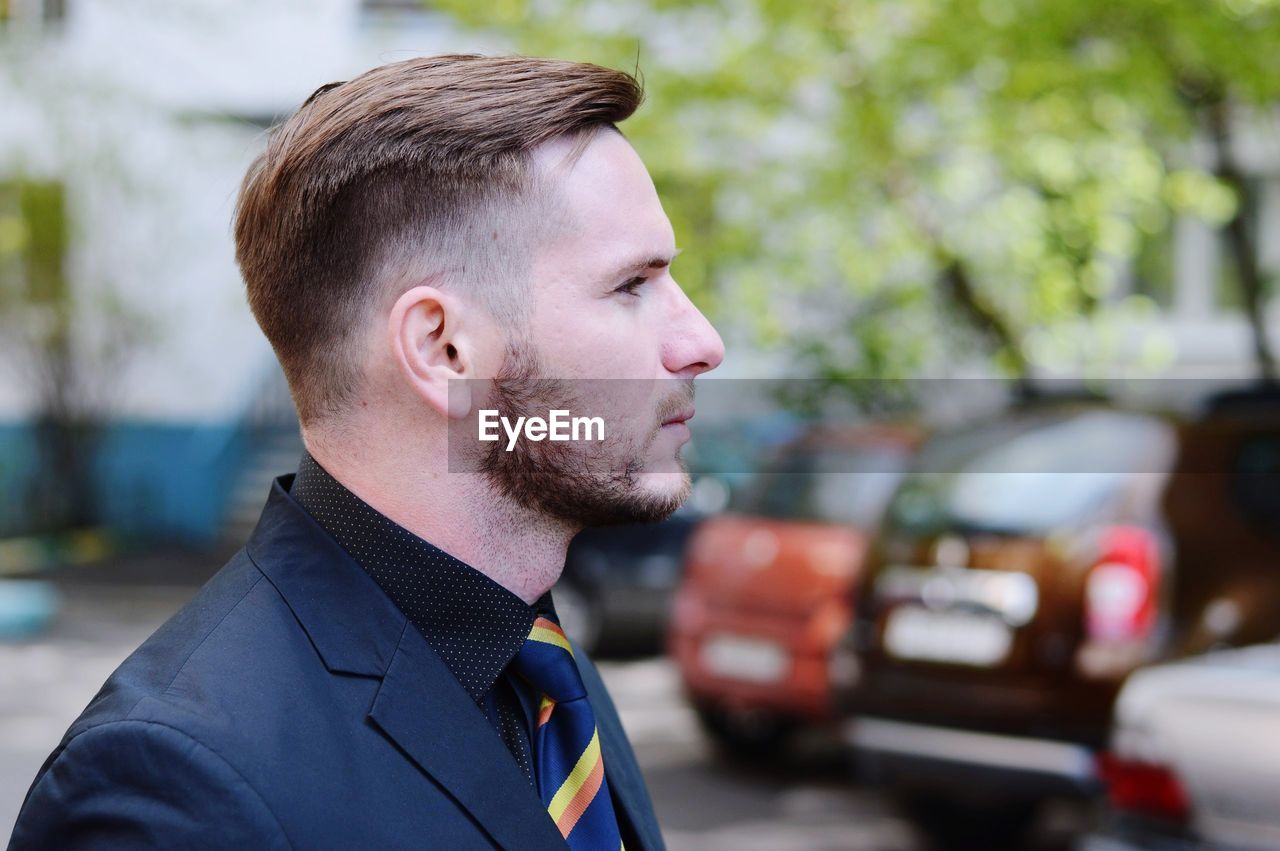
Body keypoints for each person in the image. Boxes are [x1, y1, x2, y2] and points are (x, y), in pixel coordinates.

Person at [8, 54, 723, 850]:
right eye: (632, 285)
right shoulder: (173, 783)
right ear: (445, 348)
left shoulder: (544, 670)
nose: (701, 341)